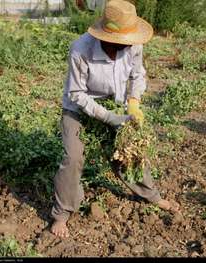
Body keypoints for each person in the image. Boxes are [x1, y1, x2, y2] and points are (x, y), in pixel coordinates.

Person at [51, 0, 180, 238]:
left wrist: (133, 102)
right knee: (73, 157)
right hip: (78, 109)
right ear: (105, 35)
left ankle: (151, 196)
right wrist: (109, 118)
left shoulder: (133, 45)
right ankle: (61, 214)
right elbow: (76, 94)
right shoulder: (80, 49)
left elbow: (137, 75)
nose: (124, 45)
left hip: (116, 106)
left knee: (128, 151)